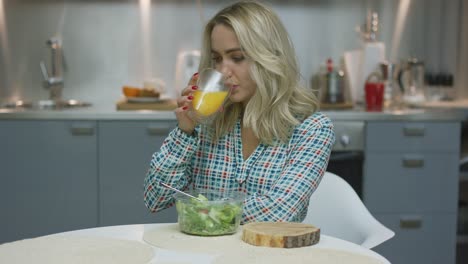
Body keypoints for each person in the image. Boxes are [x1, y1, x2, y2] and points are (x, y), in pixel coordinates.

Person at [144, 1, 335, 223]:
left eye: (237, 58)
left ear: (268, 57)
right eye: (217, 59)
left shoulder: (312, 129)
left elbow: (277, 213)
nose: (223, 71)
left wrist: (203, 211)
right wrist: (184, 132)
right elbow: (155, 199)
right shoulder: (206, 121)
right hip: (203, 254)